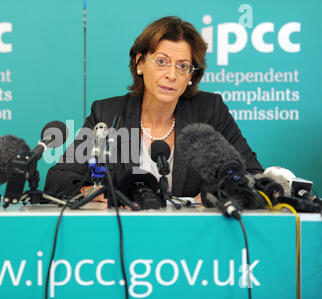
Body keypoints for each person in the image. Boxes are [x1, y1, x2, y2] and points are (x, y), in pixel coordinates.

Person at [44, 16, 263, 203]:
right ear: (140, 63)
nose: (171, 74)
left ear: (190, 76)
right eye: (161, 61)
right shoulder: (108, 114)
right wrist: (89, 192)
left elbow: (252, 175)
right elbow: (58, 179)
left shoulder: (210, 111)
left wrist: (210, 195)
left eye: (183, 66)